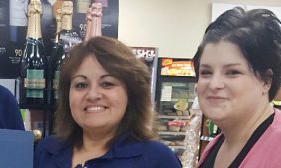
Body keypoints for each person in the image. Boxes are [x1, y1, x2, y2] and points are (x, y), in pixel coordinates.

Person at [34, 36, 182, 168]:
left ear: (131, 94)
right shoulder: (47, 151)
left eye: (107, 84)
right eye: (81, 85)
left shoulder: (157, 159)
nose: (92, 95)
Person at [193, 7, 281, 168]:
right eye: (206, 72)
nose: (214, 84)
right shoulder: (217, 144)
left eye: (232, 72)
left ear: (266, 81)